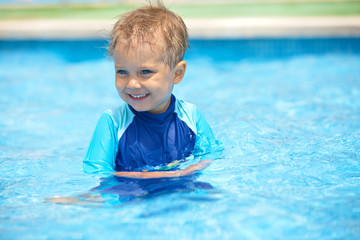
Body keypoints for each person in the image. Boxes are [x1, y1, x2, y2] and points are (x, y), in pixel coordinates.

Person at [83, 1, 218, 179]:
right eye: (122, 72)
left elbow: (212, 154)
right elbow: (97, 174)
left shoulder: (191, 116)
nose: (132, 84)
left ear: (177, 74)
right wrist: (156, 177)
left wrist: (192, 170)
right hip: (130, 194)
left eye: (145, 72)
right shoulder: (112, 123)